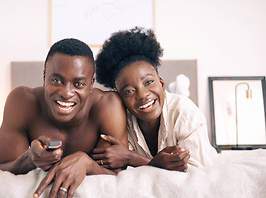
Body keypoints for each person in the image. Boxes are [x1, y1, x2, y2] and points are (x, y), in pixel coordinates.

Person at [0, 38, 128, 198]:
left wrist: (87, 163)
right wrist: (29, 159)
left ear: (91, 83)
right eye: (56, 80)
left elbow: (120, 176)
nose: (66, 93)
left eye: (78, 84)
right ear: (44, 77)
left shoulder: (108, 106)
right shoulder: (22, 101)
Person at [93, 27, 217, 172]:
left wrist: (131, 157)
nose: (142, 95)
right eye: (129, 91)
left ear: (161, 83)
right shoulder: (120, 121)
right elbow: (116, 169)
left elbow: (195, 173)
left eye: (148, 82)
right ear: (120, 97)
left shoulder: (184, 112)